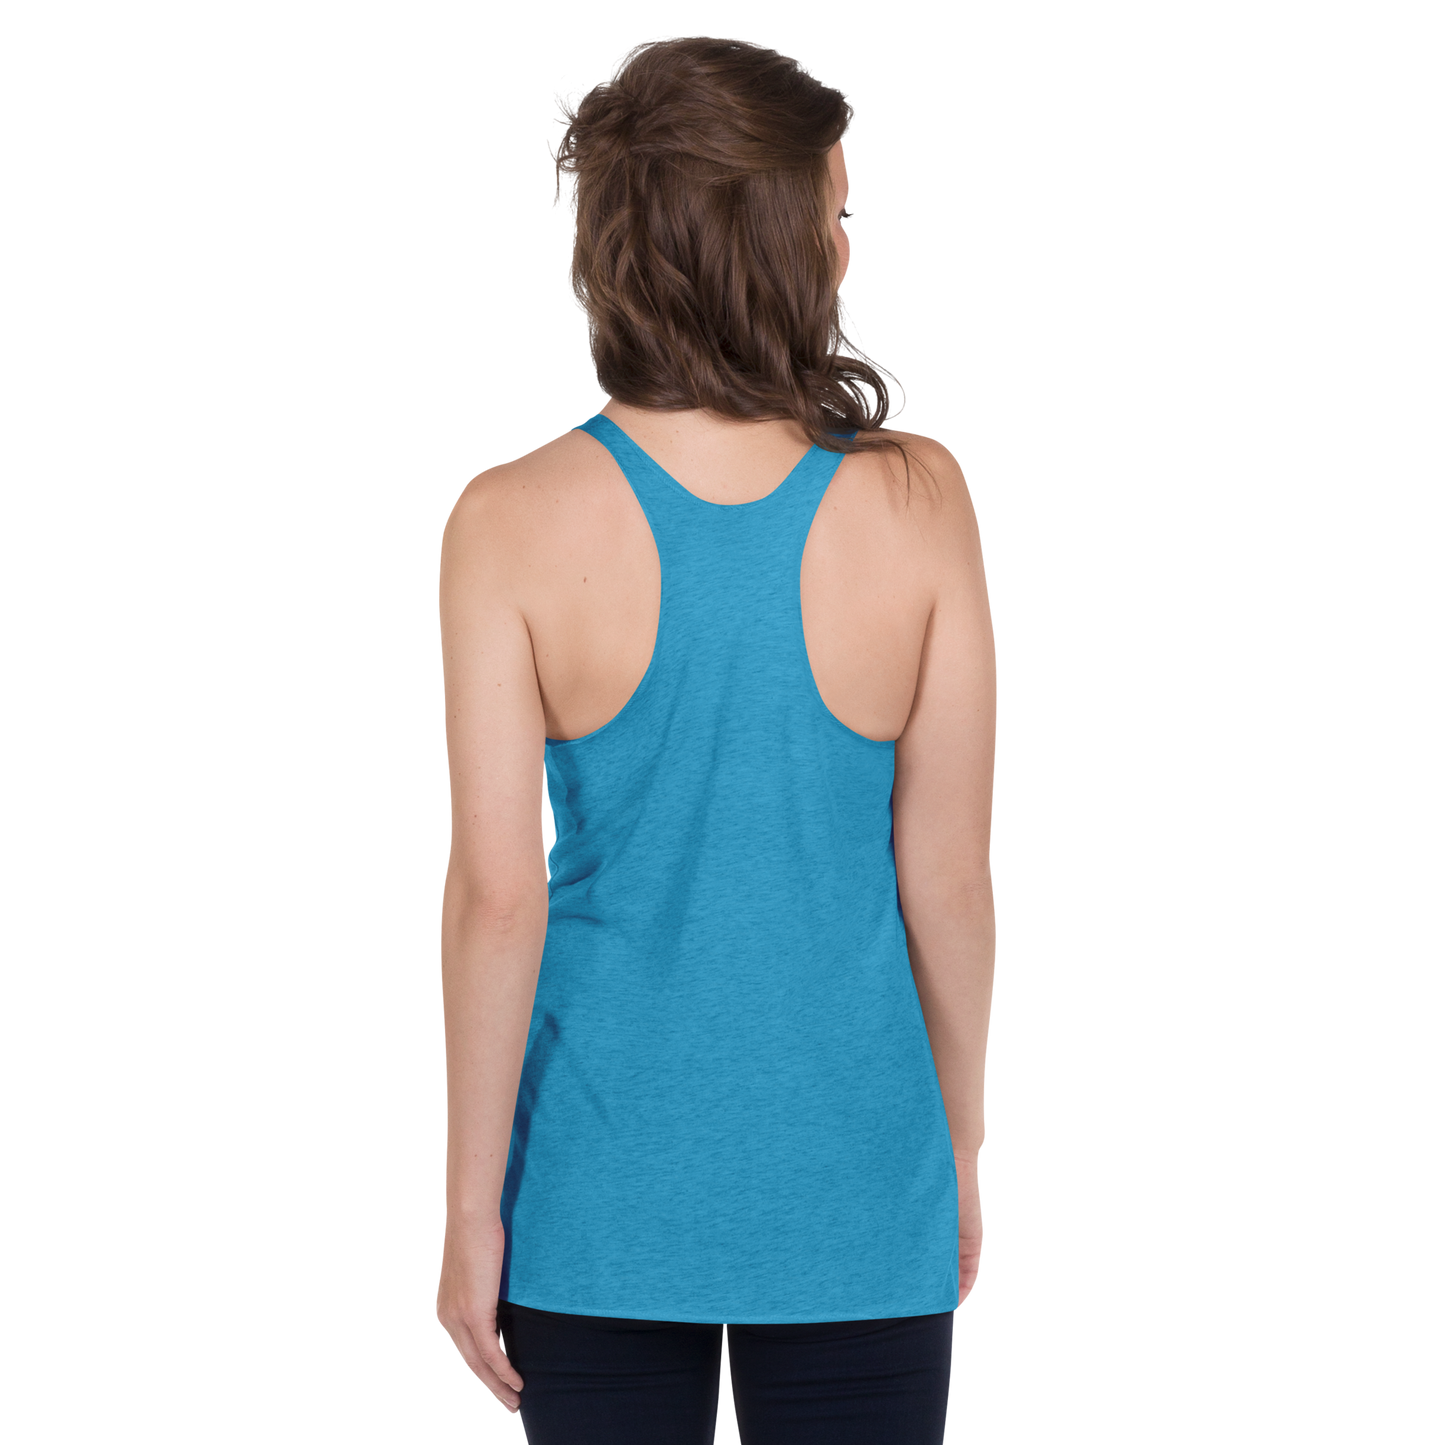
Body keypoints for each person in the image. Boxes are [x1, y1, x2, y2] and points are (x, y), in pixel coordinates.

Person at [433, 32, 998, 1444]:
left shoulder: (504, 518)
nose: (849, 248)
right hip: (860, 1191)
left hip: (593, 1197)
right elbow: (948, 879)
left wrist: (468, 1208)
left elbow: (496, 898)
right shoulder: (923, 498)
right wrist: (959, 1145)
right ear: (779, 243)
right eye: (838, 213)